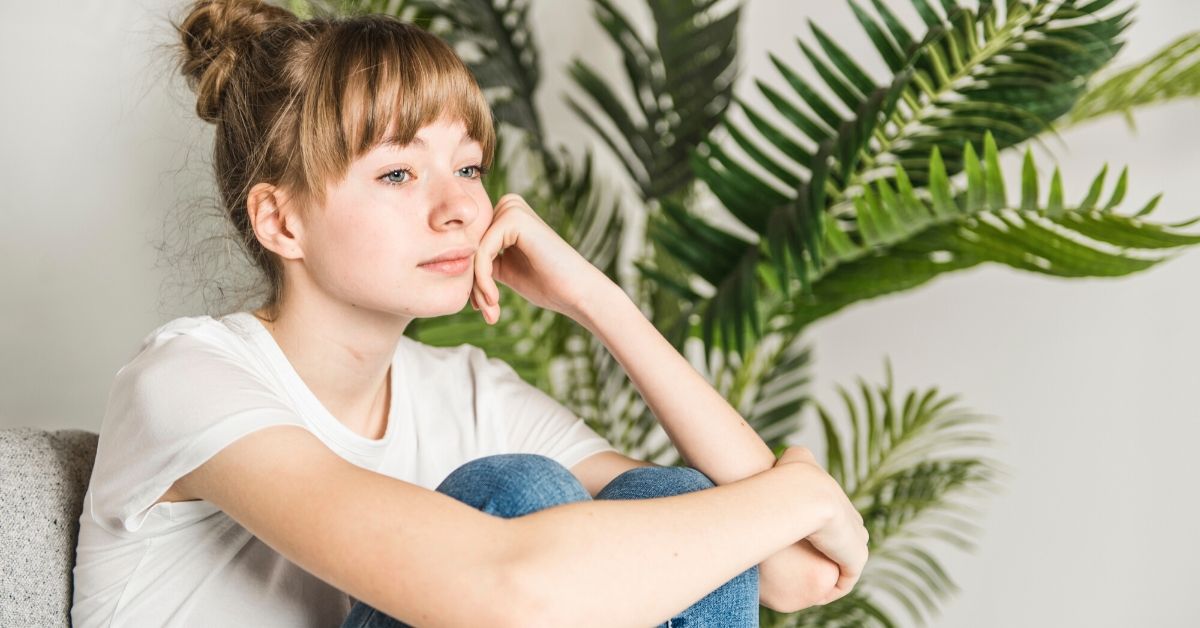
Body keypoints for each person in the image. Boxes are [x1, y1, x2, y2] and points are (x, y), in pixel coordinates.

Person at [69, 1, 869, 626]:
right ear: (282, 221)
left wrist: (599, 300)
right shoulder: (185, 380)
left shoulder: (467, 393)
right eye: (396, 175)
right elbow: (510, 592)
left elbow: (793, 569)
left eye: (469, 166)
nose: (458, 207)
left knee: (675, 502)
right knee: (516, 494)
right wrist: (798, 489)